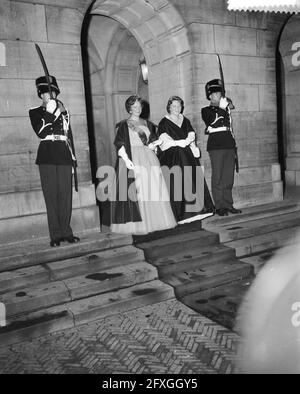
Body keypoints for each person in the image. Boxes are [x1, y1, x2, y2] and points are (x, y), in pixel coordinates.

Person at [109, 95, 177, 235]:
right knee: (137, 190)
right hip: (133, 157)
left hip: (148, 157)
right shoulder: (123, 124)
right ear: (129, 109)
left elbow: (150, 142)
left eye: (139, 106)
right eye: (134, 107)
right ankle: (139, 224)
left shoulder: (147, 123)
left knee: (152, 189)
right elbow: (120, 143)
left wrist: (155, 144)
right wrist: (126, 159)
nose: (137, 109)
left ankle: (157, 221)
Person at [29, 75, 80, 247]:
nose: (50, 95)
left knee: (65, 196)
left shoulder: (64, 110)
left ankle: (67, 232)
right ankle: (55, 235)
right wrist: (50, 113)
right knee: (51, 197)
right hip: (47, 154)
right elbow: (41, 132)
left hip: (64, 153)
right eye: (45, 93)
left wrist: (72, 156)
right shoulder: (35, 112)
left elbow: (68, 135)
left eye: (52, 92)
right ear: (40, 95)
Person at [157, 95, 214, 224]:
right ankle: (182, 214)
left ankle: (199, 210)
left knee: (192, 180)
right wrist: (179, 143)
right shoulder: (164, 122)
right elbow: (164, 140)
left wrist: (190, 139)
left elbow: (191, 132)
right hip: (173, 156)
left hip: (187, 155)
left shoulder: (185, 120)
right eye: (174, 106)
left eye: (179, 106)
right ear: (169, 107)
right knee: (179, 183)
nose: (177, 108)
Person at [201, 79, 241, 216]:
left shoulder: (226, 108)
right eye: (216, 93)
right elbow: (211, 121)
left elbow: (229, 125)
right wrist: (222, 108)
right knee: (217, 176)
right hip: (216, 145)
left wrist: (225, 107)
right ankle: (219, 206)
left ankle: (228, 204)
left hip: (229, 143)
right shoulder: (206, 110)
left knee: (228, 177)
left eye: (220, 92)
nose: (219, 95)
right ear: (210, 96)